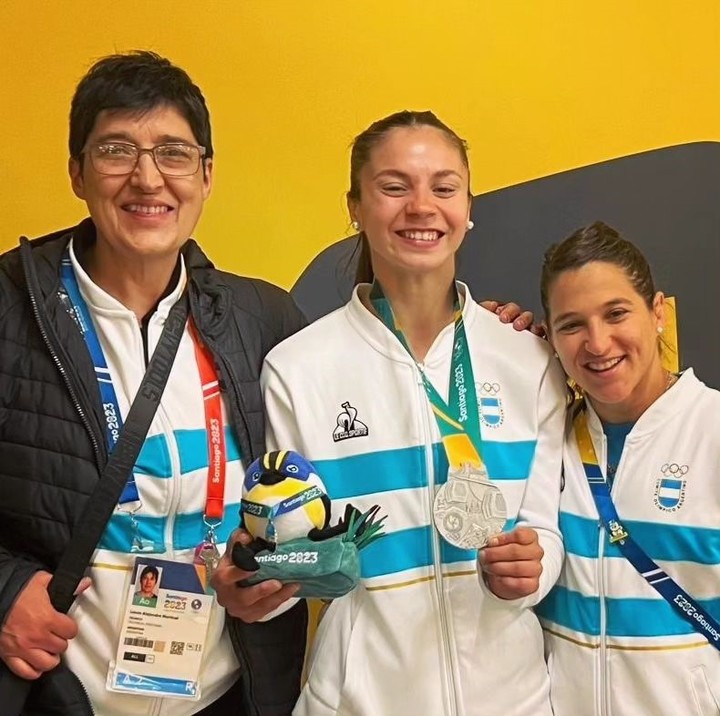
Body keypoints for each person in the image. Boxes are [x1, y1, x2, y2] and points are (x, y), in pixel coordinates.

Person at [0, 51, 307, 716]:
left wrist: (482, 327)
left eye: (172, 151)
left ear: (206, 174)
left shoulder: (264, 319)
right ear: (77, 171)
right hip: (58, 695)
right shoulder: (7, 308)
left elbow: (344, 443)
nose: (147, 178)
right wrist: (2, 591)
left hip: (230, 693)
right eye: (117, 150)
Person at [259, 110, 567, 716]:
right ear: (355, 206)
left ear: (468, 208)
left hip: (513, 701)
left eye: (444, 188)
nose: (422, 207)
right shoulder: (298, 368)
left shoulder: (528, 358)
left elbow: (546, 528)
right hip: (356, 701)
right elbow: (285, 553)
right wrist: (271, 573)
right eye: (394, 187)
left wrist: (534, 565)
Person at [535, 221, 720, 715]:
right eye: (571, 325)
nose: (597, 343)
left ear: (658, 312)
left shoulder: (713, 431)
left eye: (616, 313)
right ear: (549, 336)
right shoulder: (543, 443)